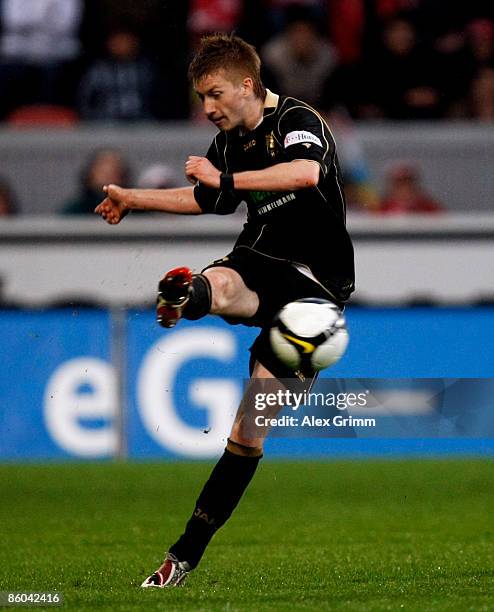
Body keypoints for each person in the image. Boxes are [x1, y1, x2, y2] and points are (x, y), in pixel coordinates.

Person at [95, 33, 354, 587]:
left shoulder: (296, 119)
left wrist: (225, 179)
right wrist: (132, 198)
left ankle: (184, 554)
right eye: (200, 99)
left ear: (246, 84)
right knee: (224, 282)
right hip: (259, 258)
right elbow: (204, 198)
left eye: (214, 94)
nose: (207, 108)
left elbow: (304, 174)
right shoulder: (231, 140)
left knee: (248, 430)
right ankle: (188, 297)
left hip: (317, 289)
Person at [61, 148, 131, 215]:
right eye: (103, 169)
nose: (109, 172)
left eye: (114, 169)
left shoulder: (134, 211)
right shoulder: (74, 212)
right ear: (90, 173)